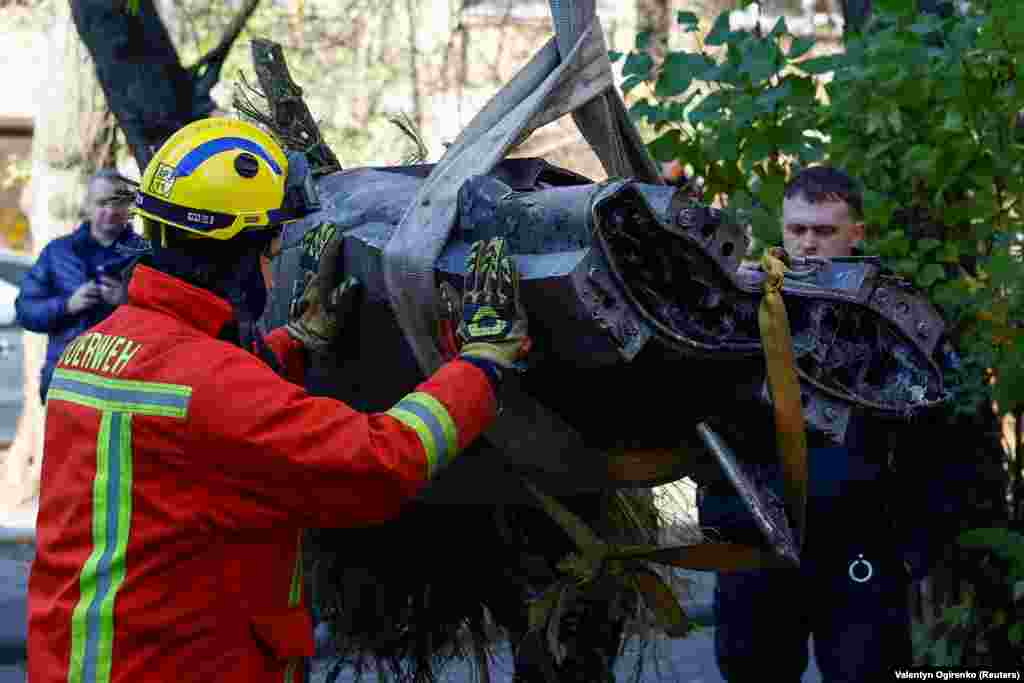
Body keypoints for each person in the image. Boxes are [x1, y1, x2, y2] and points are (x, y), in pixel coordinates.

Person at [26, 117, 531, 683]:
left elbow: (206, 423)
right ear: (240, 254)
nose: (272, 268)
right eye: (272, 250)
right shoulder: (209, 385)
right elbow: (378, 462)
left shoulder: (96, 348)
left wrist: (294, 342)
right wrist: (482, 362)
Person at [698, 165, 964, 681]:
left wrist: (917, 550)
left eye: (824, 230)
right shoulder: (742, 304)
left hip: (860, 547)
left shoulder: (894, 317)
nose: (808, 243)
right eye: (797, 229)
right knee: (751, 670)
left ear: (855, 233)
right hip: (756, 544)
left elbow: (943, 438)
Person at [15, 169, 148, 403]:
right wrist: (67, 305)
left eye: (117, 202)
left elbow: (171, 316)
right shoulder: (57, 252)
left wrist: (126, 301)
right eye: (101, 203)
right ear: (87, 206)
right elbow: (25, 311)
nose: (110, 211)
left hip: (126, 381)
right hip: (65, 381)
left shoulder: (146, 254)